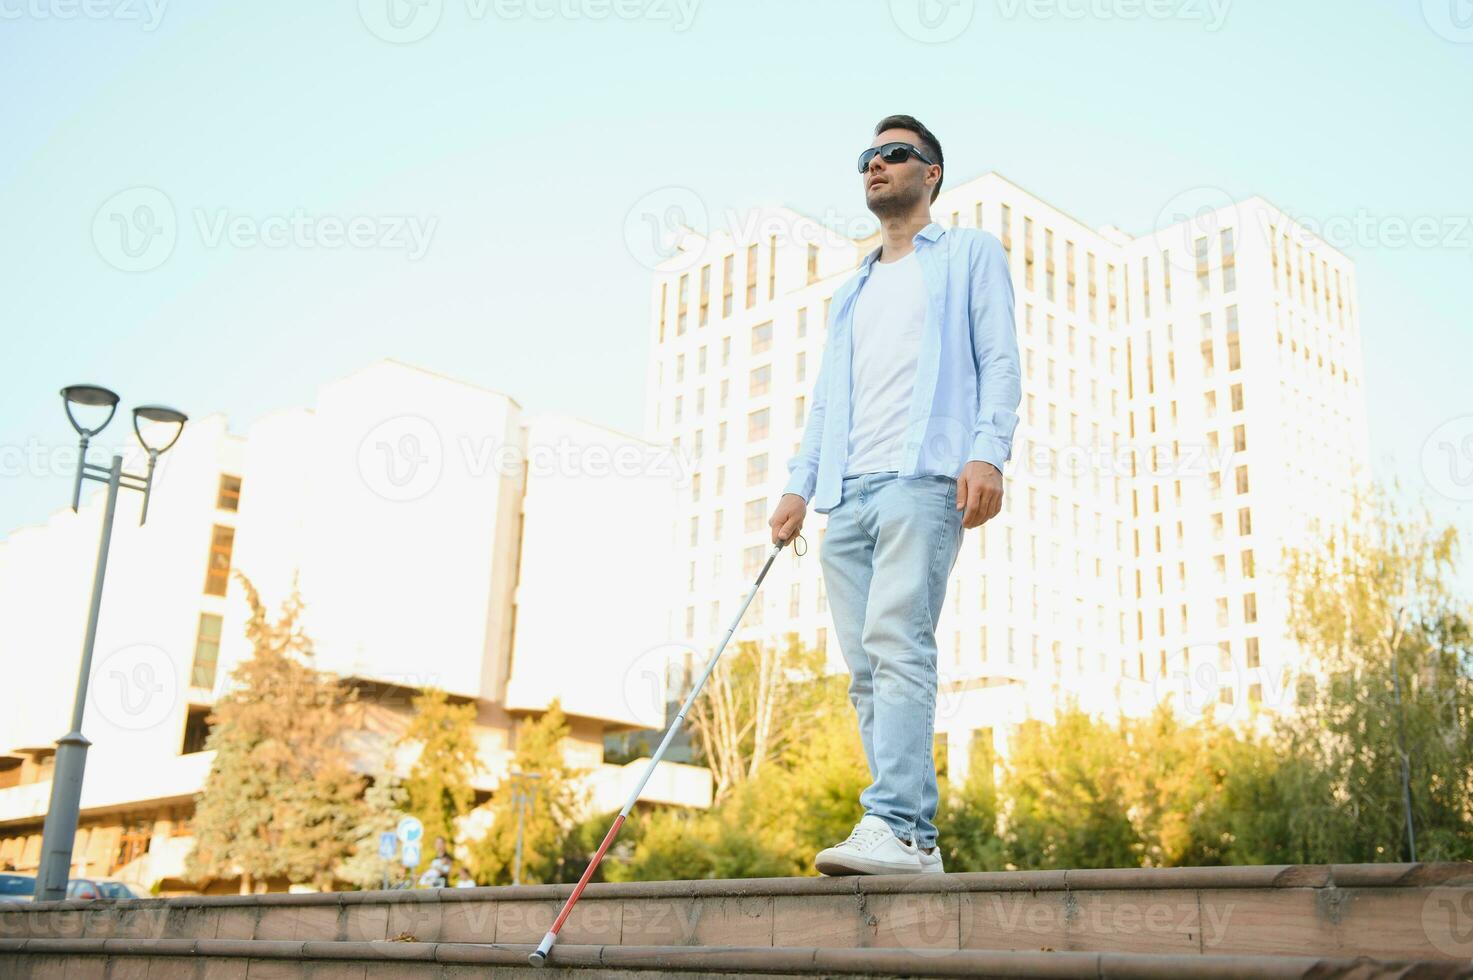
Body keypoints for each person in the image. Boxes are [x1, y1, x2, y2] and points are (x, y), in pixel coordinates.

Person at [768, 114, 1021, 876]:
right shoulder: (852, 291)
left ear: (930, 173)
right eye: (867, 157)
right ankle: (915, 838)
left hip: (923, 479)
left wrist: (987, 453)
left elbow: (999, 358)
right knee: (867, 672)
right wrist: (796, 484)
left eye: (894, 154)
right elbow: (825, 400)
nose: (875, 166)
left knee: (898, 646)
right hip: (845, 497)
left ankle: (897, 825)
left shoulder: (970, 253)